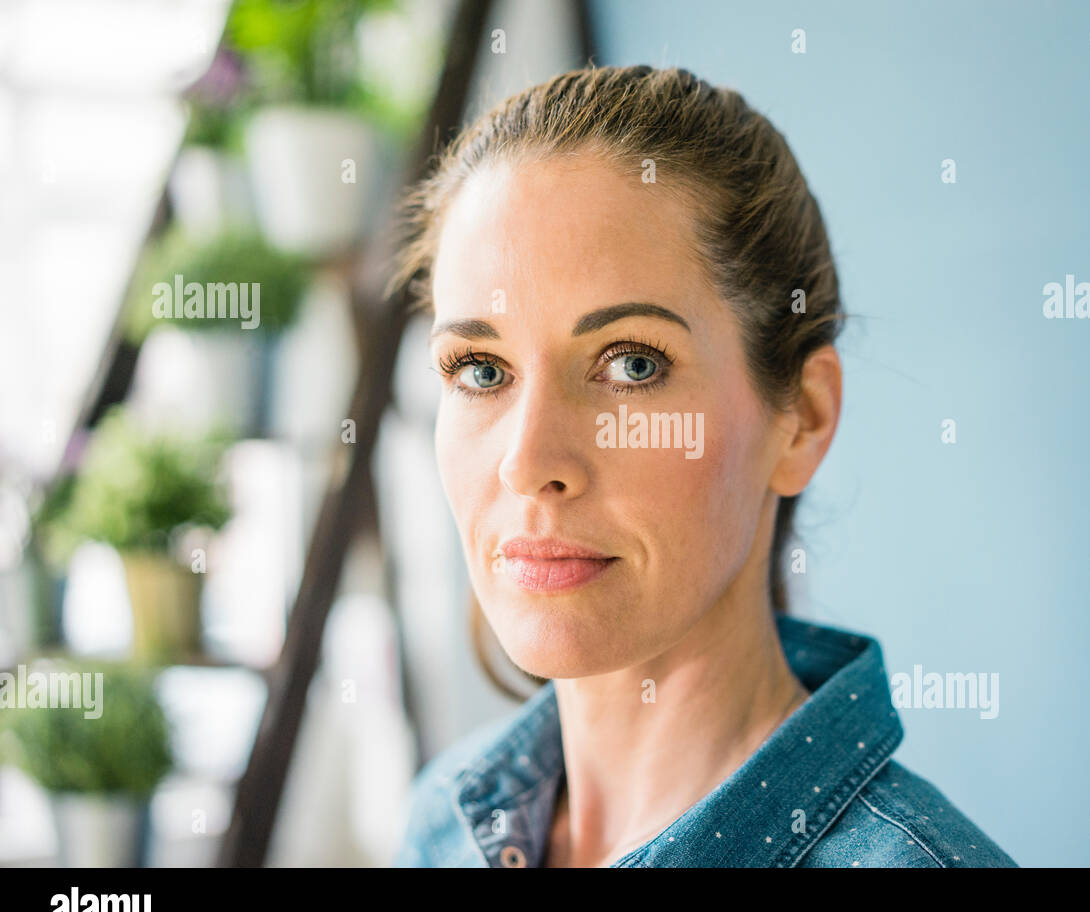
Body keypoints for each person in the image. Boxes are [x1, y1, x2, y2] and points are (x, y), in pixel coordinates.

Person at [391, 64, 1016, 868]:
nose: (528, 463)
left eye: (633, 366)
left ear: (802, 419)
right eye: (480, 369)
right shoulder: (441, 825)